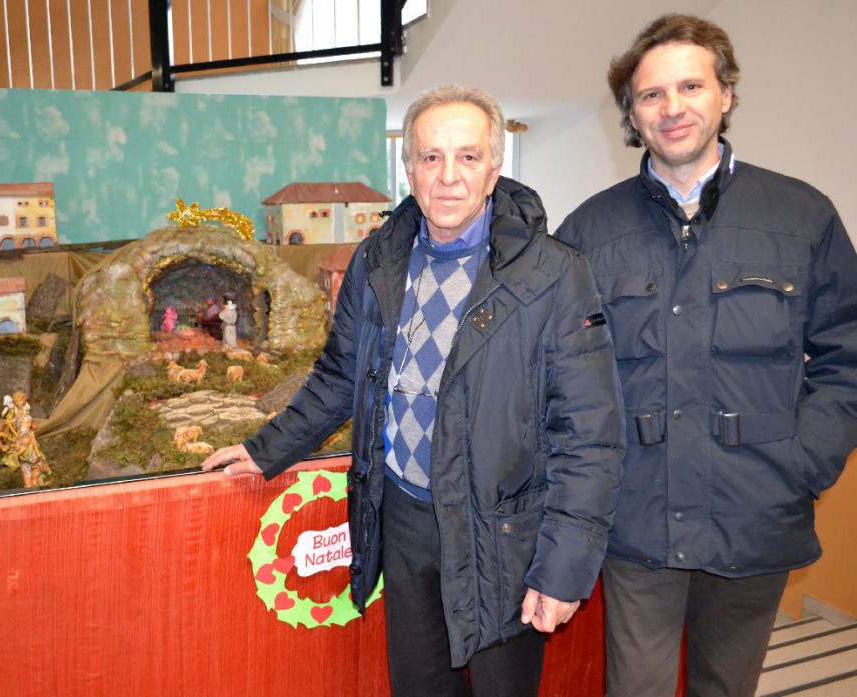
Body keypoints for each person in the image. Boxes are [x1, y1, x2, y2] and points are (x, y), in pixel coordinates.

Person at [202, 85, 625, 696]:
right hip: (404, 519)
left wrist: (562, 570)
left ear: (494, 168)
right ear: (408, 169)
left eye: (468, 157)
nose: (448, 176)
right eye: (431, 157)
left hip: (501, 533)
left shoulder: (555, 274)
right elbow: (341, 373)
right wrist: (265, 449)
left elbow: (590, 434)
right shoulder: (378, 261)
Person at [555, 14, 857, 697]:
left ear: (726, 94)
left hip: (756, 511)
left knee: (727, 687)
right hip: (635, 518)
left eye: (690, 86)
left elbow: (847, 357)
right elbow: (564, 379)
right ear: (632, 114)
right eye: (651, 94)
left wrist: (803, 465)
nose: (672, 107)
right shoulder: (589, 232)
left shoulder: (802, 217)